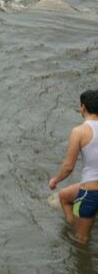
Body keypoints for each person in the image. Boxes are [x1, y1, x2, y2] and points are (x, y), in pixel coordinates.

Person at [48, 90, 98, 244]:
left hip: (92, 191)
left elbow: (69, 166)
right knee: (64, 196)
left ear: (83, 107)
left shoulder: (79, 131)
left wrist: (55, 180)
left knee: (81, 240)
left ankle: (79, 230)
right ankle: (79, 223)